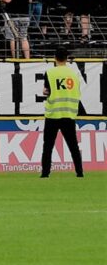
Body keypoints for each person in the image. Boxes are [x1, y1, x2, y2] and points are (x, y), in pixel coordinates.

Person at [39, 46, 85, 178]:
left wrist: (45, 91)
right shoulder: (74, 74)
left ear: (55, 58)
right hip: (68, 114)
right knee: (73, 146)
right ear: (67, 59)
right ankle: (80, 173)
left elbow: (47, 91)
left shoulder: (50, 73)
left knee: (48, 146)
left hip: (53, 114)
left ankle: (45, 173)